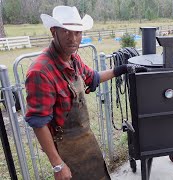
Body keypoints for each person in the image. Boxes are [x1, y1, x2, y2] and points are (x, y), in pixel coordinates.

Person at [25, 6, 146, 180]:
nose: (73, 38)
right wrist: (58, 165)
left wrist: (123, 69)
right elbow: (38, 123)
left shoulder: (73, 58)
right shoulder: (40, 72)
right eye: (66, 31)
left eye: (77, 32)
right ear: (54, 32)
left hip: (86, 139)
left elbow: (93, 78)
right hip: (65, 147)